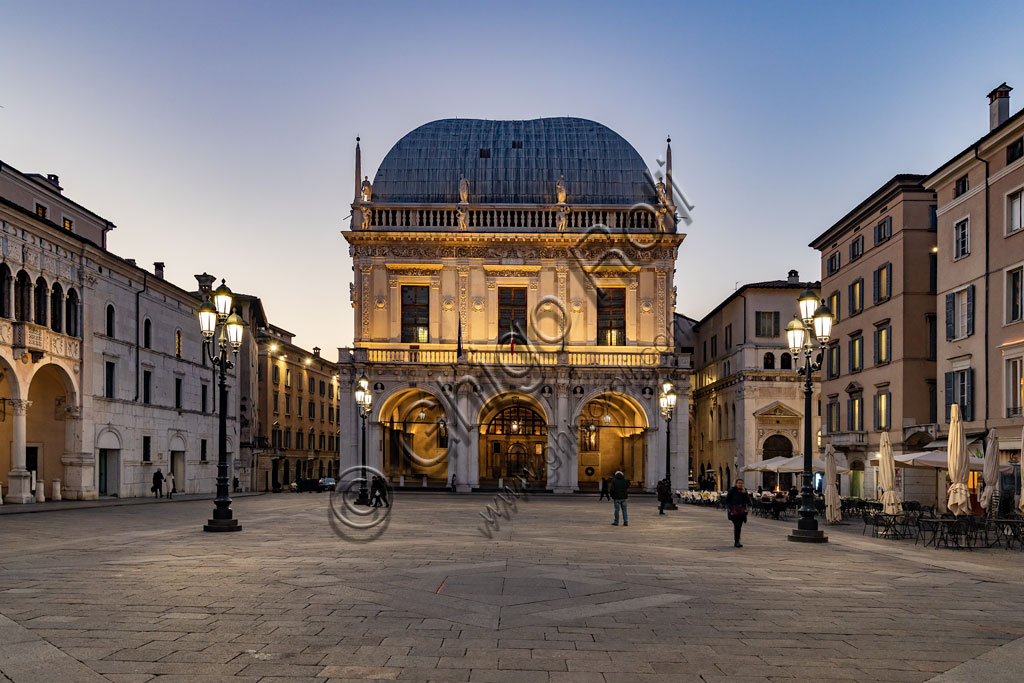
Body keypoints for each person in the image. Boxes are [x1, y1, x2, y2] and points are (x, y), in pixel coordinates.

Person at [725, 478, 750, 548]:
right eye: (739, 483)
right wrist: (730, 508)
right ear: (736, 484)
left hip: (742, 511)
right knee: (737, 525)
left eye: (741, 483)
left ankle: (737, 541)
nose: (740, 484)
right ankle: (736, 542)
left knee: (739, 526)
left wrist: (745, 493)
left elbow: (748, 501)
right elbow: (727, 500)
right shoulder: (732, 490)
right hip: (734, 511)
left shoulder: (744, 491)